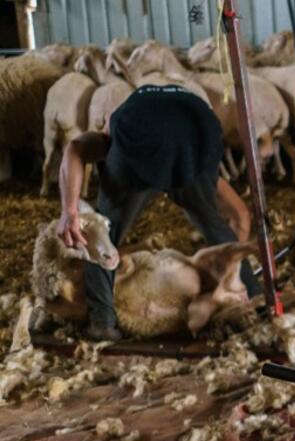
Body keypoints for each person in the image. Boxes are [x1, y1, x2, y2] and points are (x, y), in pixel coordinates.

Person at [56, 82, 260, 342]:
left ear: (105, 123)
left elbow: (74, 149)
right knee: (214, 227)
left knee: (104, 234)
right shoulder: (161, 111)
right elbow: (239, 213)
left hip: (139, 151)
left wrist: (70, 211)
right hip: (197, 141)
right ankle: (257, 303)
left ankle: (103, 323)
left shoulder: (116, 128)